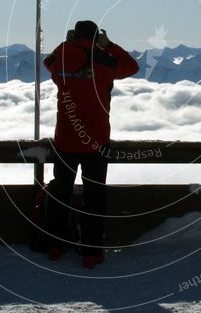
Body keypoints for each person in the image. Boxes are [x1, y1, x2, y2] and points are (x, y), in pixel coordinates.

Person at [44, 20, 139, 269]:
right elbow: (132, 67)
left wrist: (67, 44)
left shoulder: (62, 59)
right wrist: (109, 46)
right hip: (97, 140)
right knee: (94, 196)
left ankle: (54, 246)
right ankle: (91, 252)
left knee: (60, 192)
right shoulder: (105, 60)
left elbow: (47, 63)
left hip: (65, 138)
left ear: (75, 36)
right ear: (97, 38)